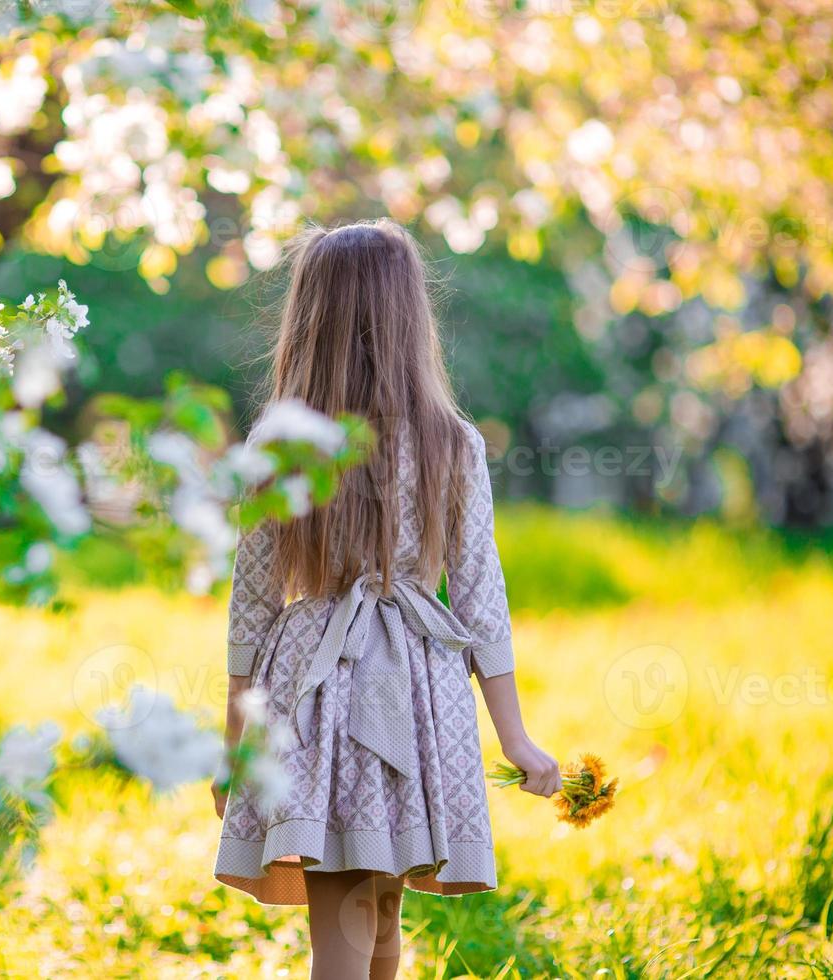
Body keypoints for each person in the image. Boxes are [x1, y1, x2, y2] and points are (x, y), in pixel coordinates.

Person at [211, 220, 561, 980]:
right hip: (420, 684)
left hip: (316, 690)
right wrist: (515, 737)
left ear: (311, 318)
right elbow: (480, 600)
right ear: (410, 317)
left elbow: (253, 608)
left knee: (359, 907)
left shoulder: (282, 439)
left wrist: (238, 738)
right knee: (375, 907)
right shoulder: (450, 439)